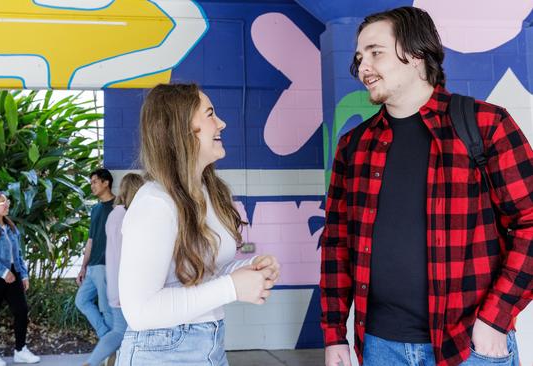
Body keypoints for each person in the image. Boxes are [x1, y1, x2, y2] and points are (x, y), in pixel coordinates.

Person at [320, 6, 532, 366]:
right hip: (378, 345)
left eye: (376, 53)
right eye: (360, 58)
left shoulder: (485, 124)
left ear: (417, 54)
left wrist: (494, 320)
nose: (363, 67)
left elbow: (529, 222)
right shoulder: (353, 145)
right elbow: (337, 244)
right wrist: (333, 335)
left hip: (468, 344)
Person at [117, 83, 281, 365]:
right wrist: (231, 287)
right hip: (161, 352)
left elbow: (201, 275)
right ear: (181, 128)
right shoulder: (155, 203)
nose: (221, 123)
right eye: (210, 114)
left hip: (209, 344)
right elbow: (140, 311)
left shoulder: (208, 192)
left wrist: (246, 269)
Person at [83, 173, 145, 366]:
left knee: (121, 329)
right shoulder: (129, 216)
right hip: (125, 283)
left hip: (114, 281)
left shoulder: (114, 214)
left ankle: (111, 360)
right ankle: (94, 362)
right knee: (121, 331)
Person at [0, 192, 41, 366]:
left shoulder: (10, 227)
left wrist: (23, 274)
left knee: (21, 311)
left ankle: (20, 350)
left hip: (13, 273)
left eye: (7, 201)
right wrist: (3, 272)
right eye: (2, 202)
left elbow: (17, 254)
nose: (6, 204)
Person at [76, 169, 115, 343]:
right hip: (92, 266)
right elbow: (90, 240)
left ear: (106, 183)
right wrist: (83, 267)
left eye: (94, 182)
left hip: (106, 266)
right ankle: (107, 337)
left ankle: (110, 348)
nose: (92, 186)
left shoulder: (119, 206)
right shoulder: (95, 209)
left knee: (106, 308)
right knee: (82, 301)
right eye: (91, 182)